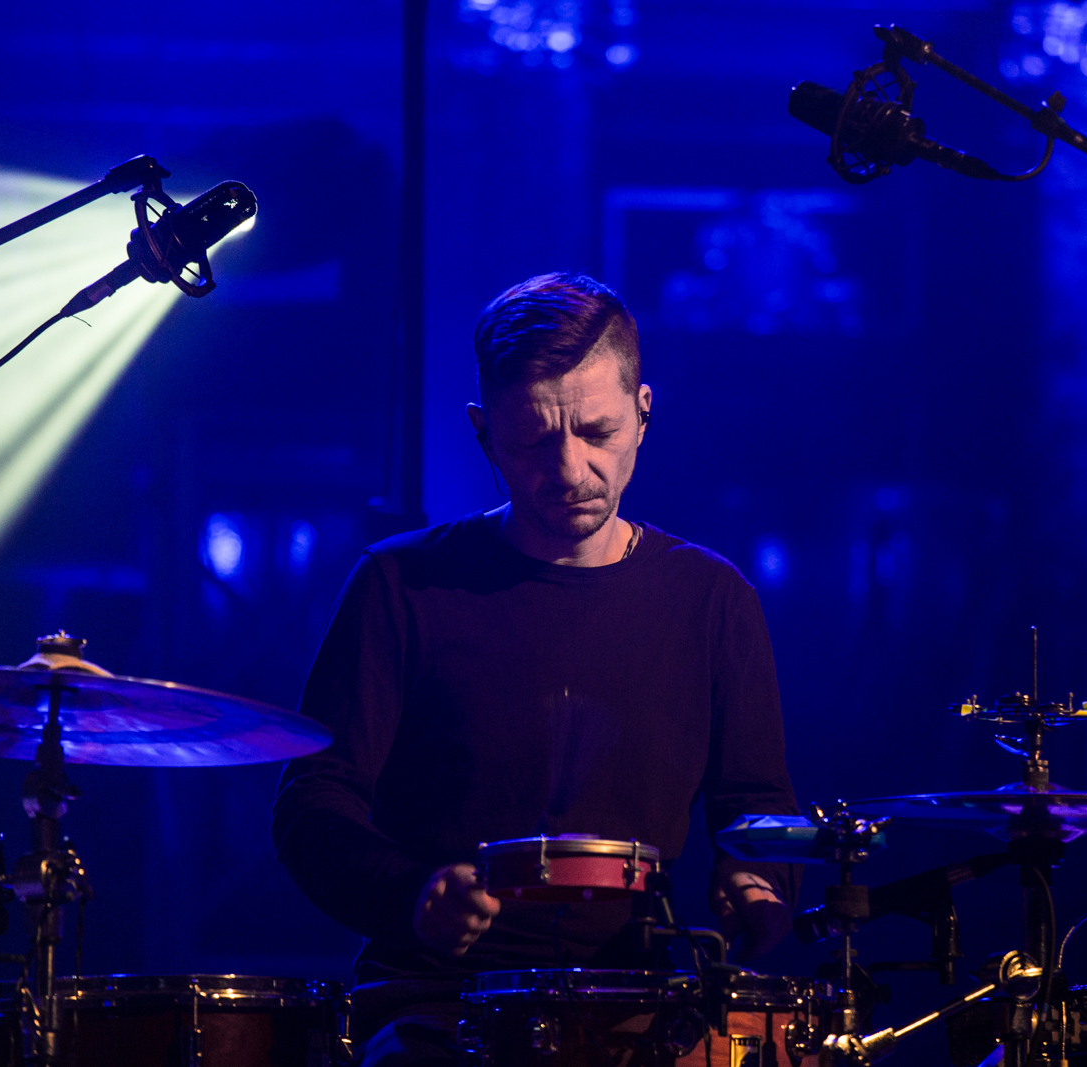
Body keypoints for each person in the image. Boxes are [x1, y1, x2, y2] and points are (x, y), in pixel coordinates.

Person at [272, 271, 800, 1066]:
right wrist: (412, 893)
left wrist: (757, 885)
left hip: (638, 1000)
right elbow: (311, 806)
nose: (570, 468)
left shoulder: (713, 599)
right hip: (437, 1000)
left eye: (597, 431)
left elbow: (757, 809)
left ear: (644, 412)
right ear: (484, 433)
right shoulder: (400, 583)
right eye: (533, 441)